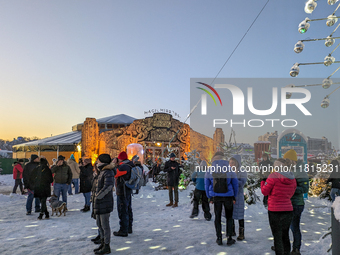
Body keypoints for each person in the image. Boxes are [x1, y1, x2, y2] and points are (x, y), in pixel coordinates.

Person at [261, 158, 297, 255]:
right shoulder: (292, 178)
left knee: (277, 236)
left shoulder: (273, 176)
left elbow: (265, 191)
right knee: (285, 235)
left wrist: (263, 182)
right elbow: (291, 194)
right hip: (288, 210)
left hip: (275, 210)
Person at [205, 151, 238, 246]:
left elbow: (207, 185)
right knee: (229, 217)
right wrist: (234, 196)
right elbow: (235, 184)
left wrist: (209, 197)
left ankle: (219, 238)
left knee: (217, 217)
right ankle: (229, 238)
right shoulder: (229, 169)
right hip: (228, 197)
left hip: (216, 197)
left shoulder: (210, 170)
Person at [283, 149, 309, 255]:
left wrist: (291, 188)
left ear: (292, 160)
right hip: (288, 203)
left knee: (294, 227)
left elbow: (305, 189)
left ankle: (296, 249)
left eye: (287, 160)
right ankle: (284, 247)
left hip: (296, 204)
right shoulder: (290, 170)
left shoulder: (300, 171)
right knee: (285, 226)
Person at [93, 154, 114, 254]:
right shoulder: (101, 172)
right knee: (99, 224)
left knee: (105, 225)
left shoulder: (107, 172)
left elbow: (108, 186)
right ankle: (102, 242)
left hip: (104, 202)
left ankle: (106, 245)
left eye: (98, 160)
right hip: (99, 202)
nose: (97, 162)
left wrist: (98, 196)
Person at [113, 151, 134, 237]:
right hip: (128, 190)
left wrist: (114, 164)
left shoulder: (123, 166)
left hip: (122, 191)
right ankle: (129, 227)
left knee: (122, 210)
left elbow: (115, 174)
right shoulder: (130, 164)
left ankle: (123, 230)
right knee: (128, 208)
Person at [230, 155, 247, 241]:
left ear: (237, 163)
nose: (231, 164)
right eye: (230, 162)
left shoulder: (242, 172)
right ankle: (232, 231)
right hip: (230, 195)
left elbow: (242, 183)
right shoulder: (228, 171)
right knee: (230, 213)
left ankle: (241, 233)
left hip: (238, 196)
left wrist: (233, 178)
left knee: (240, 215)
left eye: (233, 163)